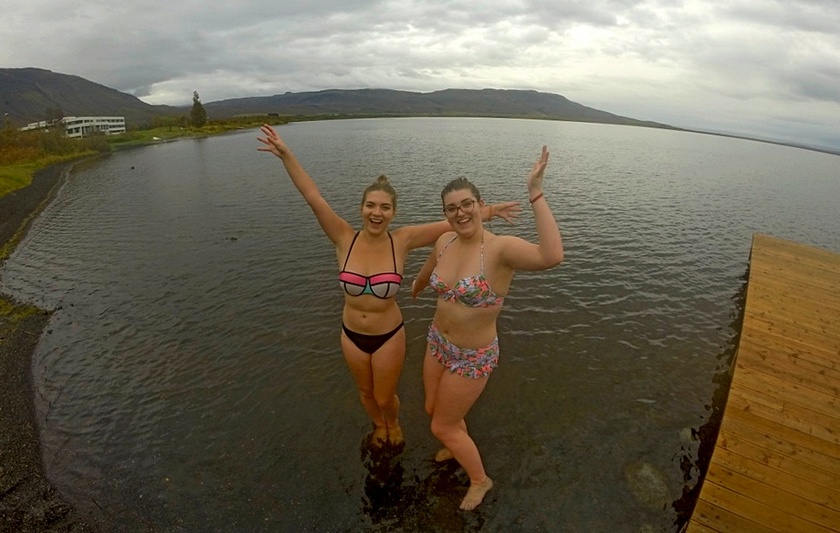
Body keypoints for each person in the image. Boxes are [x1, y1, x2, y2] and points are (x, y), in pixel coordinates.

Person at [256, 124, 520, 447]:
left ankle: (392, 421)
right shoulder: (343, 237)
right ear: (361, 209)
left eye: (384, 207)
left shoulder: (402, 240)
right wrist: (286, 155)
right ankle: (379, 426)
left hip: (388, 336)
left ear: (393, 213)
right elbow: (313, 197)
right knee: (365, 393)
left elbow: (453, 222)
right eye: (370, 206)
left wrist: (487, 211)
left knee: (384, 395)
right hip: (350, 334)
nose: (376, 213)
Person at [411, 145, 563, 510]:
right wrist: (414, 288)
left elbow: (551, 256)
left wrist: (535, 193)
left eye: (466, 204)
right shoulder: (445, 239)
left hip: (472, 356)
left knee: (441, 425)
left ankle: (480, 480)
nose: (460, 213)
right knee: (434, 410)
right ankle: (455, 443)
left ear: (480, 205)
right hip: (438, 343)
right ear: (445, 215)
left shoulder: (499, 250)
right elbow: (431, 268)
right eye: (451, 208)